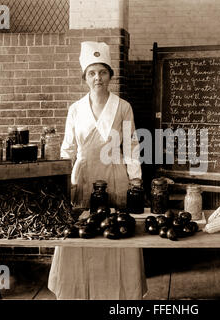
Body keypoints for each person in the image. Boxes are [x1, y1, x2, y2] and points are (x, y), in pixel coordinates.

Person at [48, 41, 147, 300]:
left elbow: (132, 145)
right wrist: (65, 181)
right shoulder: (75, 109)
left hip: (114, 177)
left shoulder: (123, 107)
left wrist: (135, 179)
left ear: (110, 76)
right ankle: (77, 294)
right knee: (81, 231)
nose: (97, 78)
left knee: (117, 232)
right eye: (92, 73)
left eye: (102, 72)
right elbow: (67, 149)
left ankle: (118, 296)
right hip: (83, 179)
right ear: (85, 77)